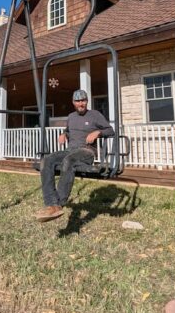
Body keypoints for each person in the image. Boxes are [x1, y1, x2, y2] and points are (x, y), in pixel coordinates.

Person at [35, 89, 115, 222]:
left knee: (68, 160)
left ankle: (58, 204)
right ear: (73, 102)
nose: (80, 104)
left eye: (83, 100)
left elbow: (110, 130)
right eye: (77, 101)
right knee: (46, 160)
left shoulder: (95, 115)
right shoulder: (71, 117)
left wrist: (97, 133)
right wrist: (63, 134)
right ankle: (51, 204)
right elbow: (68, 131)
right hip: (70, 149)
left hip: (86, 151)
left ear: (87, 101)